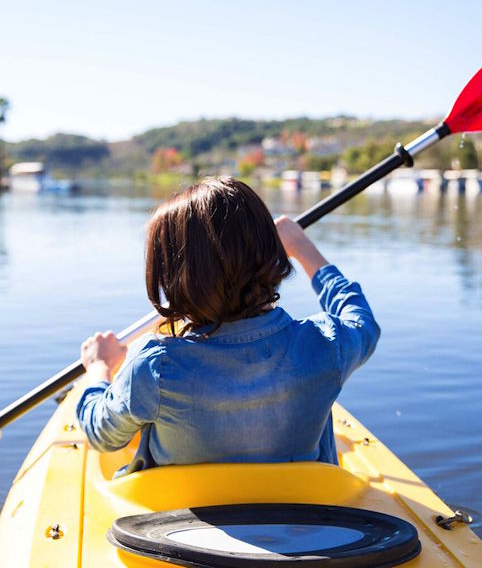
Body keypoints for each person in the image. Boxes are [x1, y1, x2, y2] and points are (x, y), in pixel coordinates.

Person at [76, 177, 379, 475]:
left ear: (171, 274)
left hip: (182, 522)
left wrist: (99, 367)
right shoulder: (325, 345)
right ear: (271, 255)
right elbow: (361, 321)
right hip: (298, 518)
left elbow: (103, 435)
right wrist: (301, 246)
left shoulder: (154, 367)